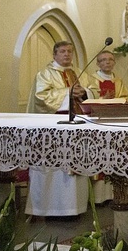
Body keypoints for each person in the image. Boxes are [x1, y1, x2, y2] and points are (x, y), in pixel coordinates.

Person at [25, 41, 90, 217]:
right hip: (53, 131)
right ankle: (50, 209)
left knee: (75, 165)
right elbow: (41, 98)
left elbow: (92, 91)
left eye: (69, 51)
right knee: (54, 169)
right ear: (54, 55)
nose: (67, 54)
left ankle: (75, 208)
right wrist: (68, 93)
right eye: (62, 51)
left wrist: (84, 93)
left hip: (78, 128)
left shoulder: (80, 74)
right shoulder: (45, 74)